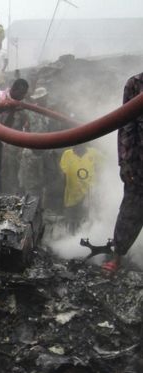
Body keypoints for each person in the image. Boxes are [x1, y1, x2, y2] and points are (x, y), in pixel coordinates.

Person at [103, 72, 143, 274]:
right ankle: (117, 257)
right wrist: (125, 162)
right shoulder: (136, 84)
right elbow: (127, 127)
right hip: (139, 164)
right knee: (131, 211)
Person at [59, 143, 101, 231]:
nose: (76, 147)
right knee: (71, 222)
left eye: (79, 144)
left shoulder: (93, 153)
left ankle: (87, 237)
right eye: (75, 145)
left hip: (89, 197)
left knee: (87, 221)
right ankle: (69, 240)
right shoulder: (67, 154)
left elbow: (105, 165)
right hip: (72, 197)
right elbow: (63, 174)